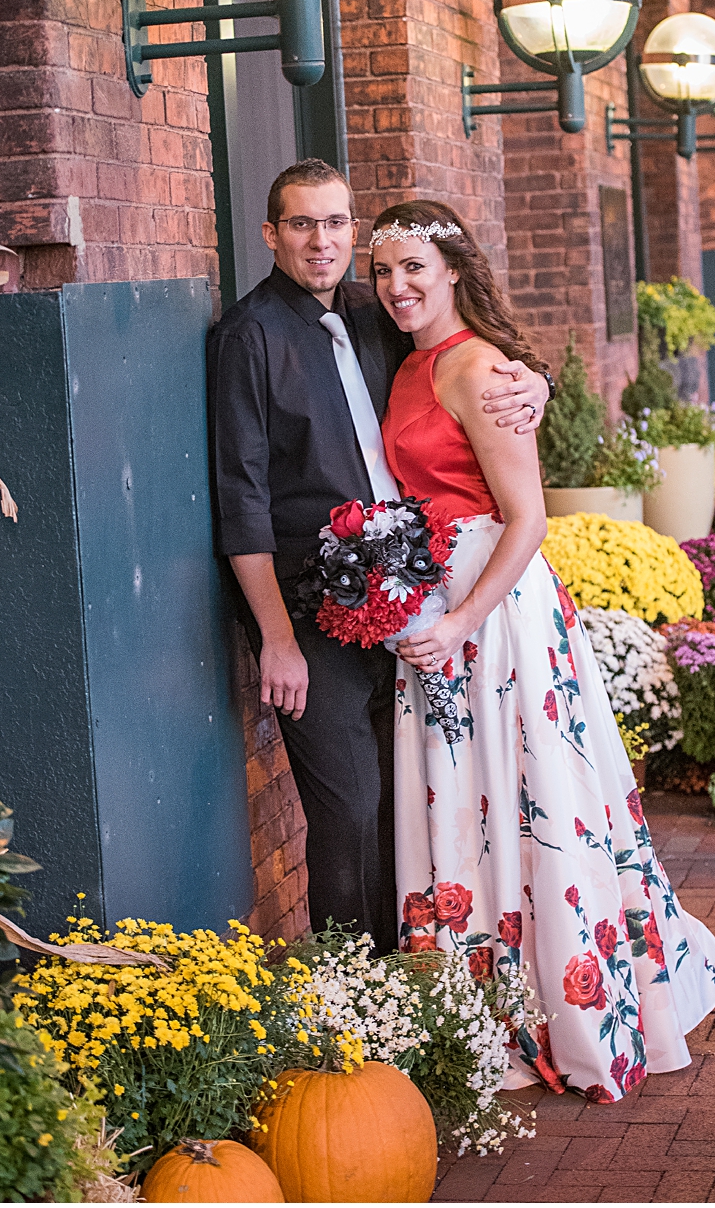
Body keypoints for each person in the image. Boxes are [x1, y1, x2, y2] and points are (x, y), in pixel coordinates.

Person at [371, 198, 715, 1102]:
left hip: (494, 614)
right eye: (384, 272)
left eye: (415, 268)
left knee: (531, 795)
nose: (396, 287)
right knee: (473, 802)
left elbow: (529, 519)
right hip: (439, 600)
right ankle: (483, 1005)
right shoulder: (411, 362)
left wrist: (459, 624)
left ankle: (566, 1008)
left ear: (454, 270)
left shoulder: (478, 371)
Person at [208, 160, 550, 955]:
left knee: (409, 799)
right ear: (271, 234)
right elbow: (242, 501)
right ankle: (348, 994)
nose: (320, 241)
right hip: (310, 614)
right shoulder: (248, 337)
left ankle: (408, 980)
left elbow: (470, 357)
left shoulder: (375, 312)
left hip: (407, 606)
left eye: (334, 223)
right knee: (350, 805)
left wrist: (535, 381)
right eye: (301, 224)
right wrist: (278, 639)